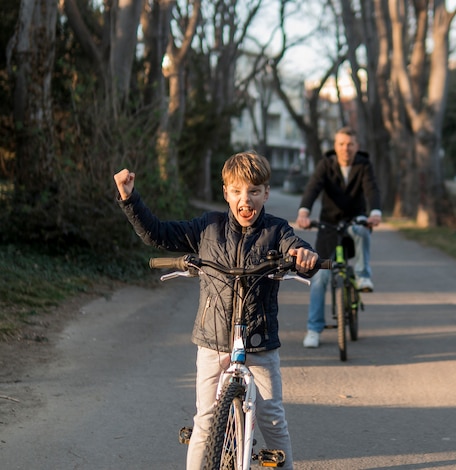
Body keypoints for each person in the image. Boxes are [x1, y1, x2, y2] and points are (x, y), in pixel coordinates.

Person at [114, 152, 319, 470]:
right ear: (226, 193)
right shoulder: (208, 227)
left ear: (265, 193)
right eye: (237, 191)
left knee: (273, 419)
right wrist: (129, 198)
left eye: (253, 191)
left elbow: (298, 248)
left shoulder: (276, 231)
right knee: (206, 421)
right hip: (213, 339)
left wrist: (303, 256)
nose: (245, 199)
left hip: (260, 343)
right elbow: (158, 233)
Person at [296, 127, 381, 348]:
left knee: (362, 231)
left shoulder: (363, 164)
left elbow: (372, 190)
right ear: (335, 146)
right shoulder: (326, 165)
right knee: (320, 278)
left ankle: (363, 276)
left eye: (350, 144)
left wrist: (375, 213)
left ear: (357, 147)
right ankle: (314, 329)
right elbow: (313, 188)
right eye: (342, 144)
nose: (346, 148)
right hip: (329, 225)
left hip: (356, 220)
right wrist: (304, 211)